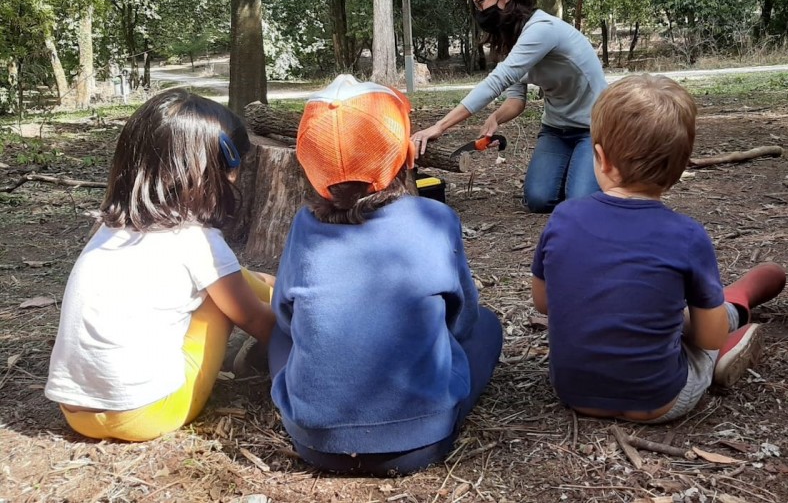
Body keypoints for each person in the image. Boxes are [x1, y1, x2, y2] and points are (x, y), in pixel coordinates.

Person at [269, 75, 503, 476]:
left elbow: (286, 319)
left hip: (315, 441)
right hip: (421, 440)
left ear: (310, 165)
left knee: (277, 335)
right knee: (490, 327)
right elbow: (463, 319)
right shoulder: (436, 219)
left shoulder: (304, 226)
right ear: (404, 154)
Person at [531, 75, 786, 422]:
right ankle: (735, 325)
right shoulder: (686, 235)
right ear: (680, 170)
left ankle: (731, 304)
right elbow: (708, 337)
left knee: (661, 314)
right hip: (661, 400)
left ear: (601, 158)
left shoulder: (563, 218)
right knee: (706, 326)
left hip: (576, 394)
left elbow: (544, 302)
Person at [45, 90, 275, 442]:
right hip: (148, 412)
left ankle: (274, 287)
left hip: (75, 412)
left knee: (225, 280)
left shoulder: (108, 227)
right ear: (221, 172)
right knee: (220, 298)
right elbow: (257, 323)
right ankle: (279, 298)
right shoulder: (197, 242)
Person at [410, 0, 607, 213]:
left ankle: (601, 165)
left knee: (581, 204)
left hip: (594, 127)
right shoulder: (512, 40)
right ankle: (578, 167)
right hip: (556, 129)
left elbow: (497, 81)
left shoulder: (542, 29)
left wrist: (439, 126)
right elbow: (516, 99)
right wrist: (496, 117)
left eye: (481, 3)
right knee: (538, 200)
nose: (479, 11)